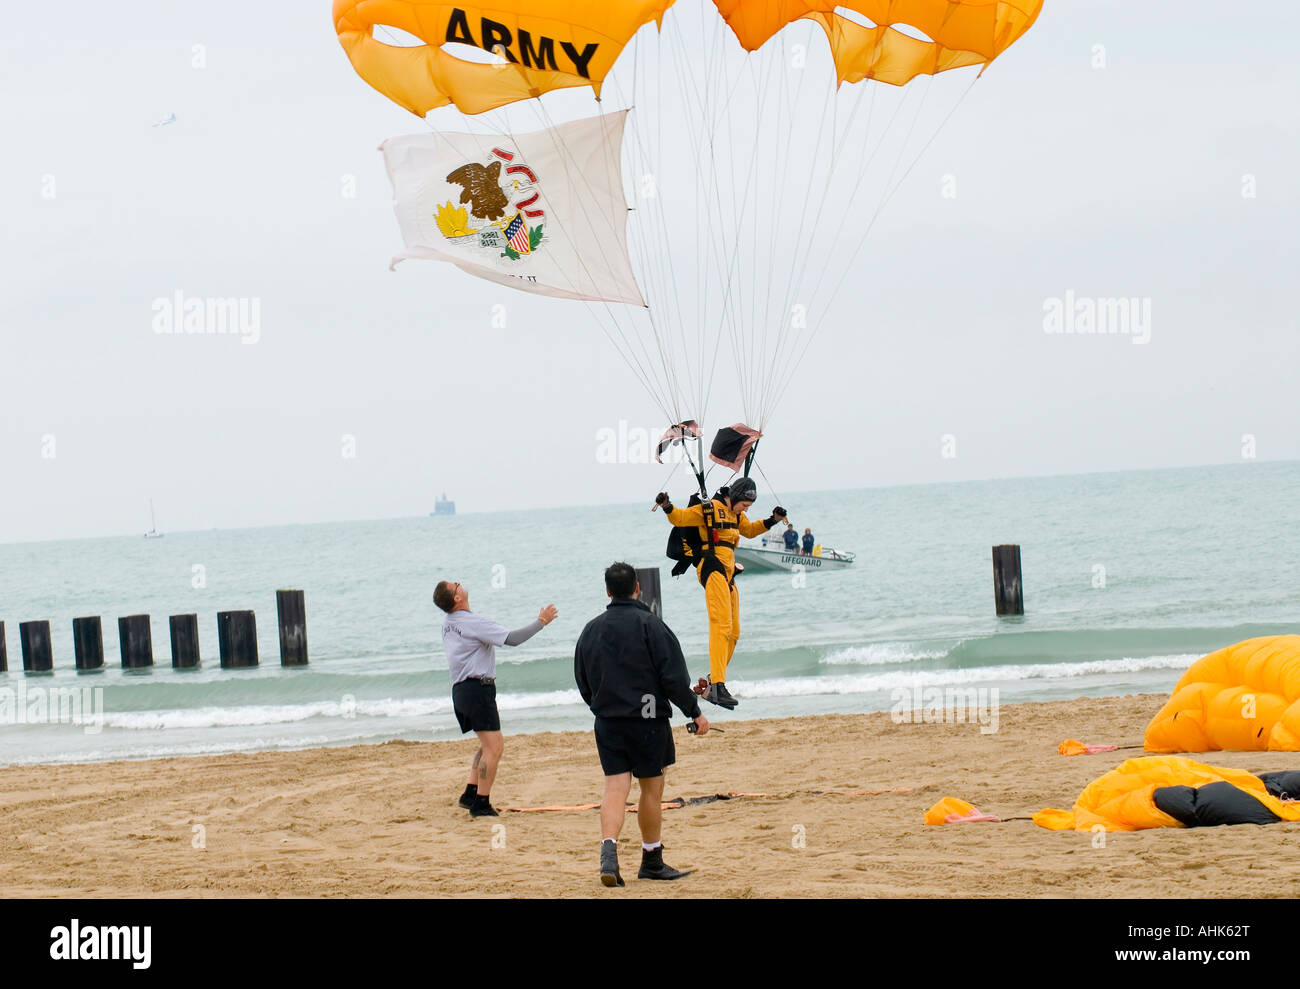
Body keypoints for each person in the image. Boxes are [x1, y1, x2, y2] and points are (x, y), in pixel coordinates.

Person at [574, 562, 709, 887]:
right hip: (648, 721)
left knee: (615, 787)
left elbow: (582, 677)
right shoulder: (652, 625)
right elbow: (673, 677)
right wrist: (694, 712)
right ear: (638, 588)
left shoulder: (591, 629)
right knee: (652, 788)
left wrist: (600, 706)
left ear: (607, 591)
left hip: (608, 721)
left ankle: (609, 854)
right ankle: (651, 859)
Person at [655, 476, 787, 709]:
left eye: (749, 507)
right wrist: (667, 505)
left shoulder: (737, 515)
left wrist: (772, 520)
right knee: (721, 625)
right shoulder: (709, 509)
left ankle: (712, 682)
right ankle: (717, 685)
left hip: (728, 573)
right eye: (744, 505)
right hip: (711, 566)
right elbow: (681, 518)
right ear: (736, 497)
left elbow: (749, 530)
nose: (746, 510)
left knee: (734, 632)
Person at [433, 580, 557, 817]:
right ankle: (481, 802)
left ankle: (470, 793)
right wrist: (541, 622)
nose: (460, 584)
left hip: (461, 691)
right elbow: (512, 639)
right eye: (456, 585)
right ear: (457, 598)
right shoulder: (472, 622)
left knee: (486, 745)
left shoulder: (448, 623)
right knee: (495, 747)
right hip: (476, 689)